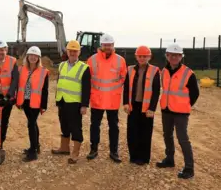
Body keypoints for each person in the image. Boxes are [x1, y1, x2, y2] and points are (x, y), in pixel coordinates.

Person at [156, 43, 199, 179]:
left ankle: (189, 168)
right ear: (167, 56)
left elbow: (195, 93)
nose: (174, 57)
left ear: (181, 57)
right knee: (167, 135)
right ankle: (170, 159)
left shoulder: (188, 73)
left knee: (182, 139)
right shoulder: (164, 71)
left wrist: (185, 104)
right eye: (171, 55)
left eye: (177, 55)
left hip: (181, 112)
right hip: (166, 110)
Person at [86, 33, 127, 163]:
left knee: (114, 126)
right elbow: (87, 80)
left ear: (113, 45)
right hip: (97, 99)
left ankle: (114, 151)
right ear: (101, 45)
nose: (107, 47)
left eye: (109, 45)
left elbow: (123, 78)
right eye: (105, 45)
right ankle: (93, 149)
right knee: (94, 126)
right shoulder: (92, 59)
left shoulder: (120, 60)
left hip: (112, 100)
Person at [52, 40, 91, 164]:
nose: (73, 53)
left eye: (75, 51)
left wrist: (84, 105)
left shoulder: (84, 68)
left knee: (75, 128)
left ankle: (75, 153)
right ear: (67, 52)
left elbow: (86, 88)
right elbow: (60, 81)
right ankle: (64, 148)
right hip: (62, 100)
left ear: (79, 52)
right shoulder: (62, 65)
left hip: (75, 103)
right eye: (71, 51)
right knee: (64, 125)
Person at [123, 46, 160, 166]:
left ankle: (144, 158)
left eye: (145, 56)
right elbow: (126, 88)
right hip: (133, 106)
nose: (142, 58)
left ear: (149, 57)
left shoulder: (155, 71)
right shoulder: (130, 70)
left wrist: (152, 108)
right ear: (136, 57)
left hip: (147, 108)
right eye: (140, 56)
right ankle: (133, 156)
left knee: (145, 133)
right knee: (132, 132)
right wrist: (125, 103)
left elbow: (156, 91)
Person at [16, 46, 49, 162]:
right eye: (31, 55)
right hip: (25, 101)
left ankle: (33, 152)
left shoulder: (44, 72)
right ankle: (36, 146)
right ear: (27, 57)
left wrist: (44, 105)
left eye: (35, 56)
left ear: (38, 58)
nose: (33, 57)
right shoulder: (21, 69)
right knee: (33, 124)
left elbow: (45, 90)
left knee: (31, 124)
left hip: (35, 102)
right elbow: (18, 86)